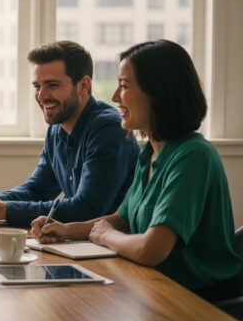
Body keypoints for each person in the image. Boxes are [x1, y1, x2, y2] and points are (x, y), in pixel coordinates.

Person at [31, 39, 242, 301]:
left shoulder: (193, 156)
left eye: (124, 86)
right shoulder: (148, 153)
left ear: (159, 93)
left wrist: (107, 236)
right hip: (155, 287)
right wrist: (64, 229)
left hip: (200, 300)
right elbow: (122, 218)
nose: (115, 97)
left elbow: (151, 250)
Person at [0, 41, 140, 227]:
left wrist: (1, 209)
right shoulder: (57, 128)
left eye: (52, 85)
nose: (41, 96)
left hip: (112, 247)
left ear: (83, 86)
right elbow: (38, 189)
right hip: (82, 243)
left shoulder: (108, 128)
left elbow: (87, 209)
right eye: (37, 86)